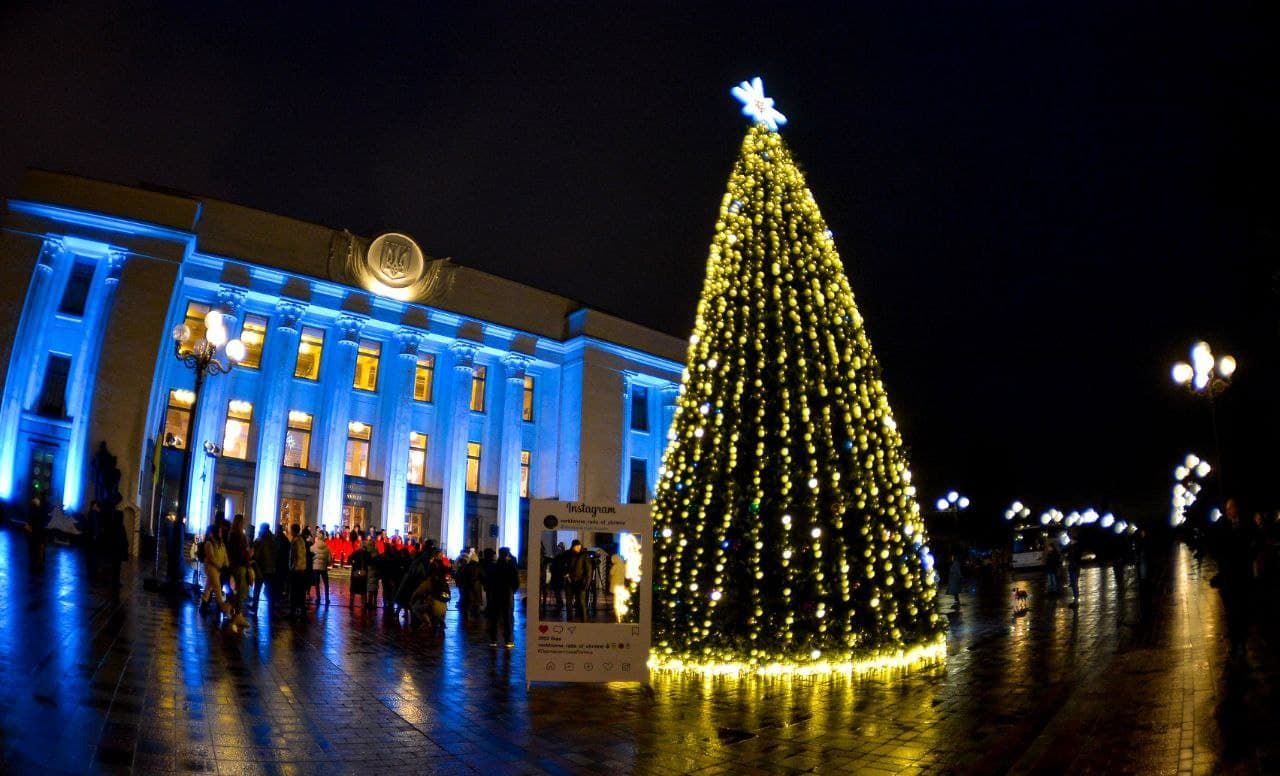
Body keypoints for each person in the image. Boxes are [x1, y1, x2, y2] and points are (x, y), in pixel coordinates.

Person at [1213, 498, 1254, 660]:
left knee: (1243, 610)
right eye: (1228, 508)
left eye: (1233, 508)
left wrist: (1250, 556)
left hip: (1243, 575)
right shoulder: (1221, 526)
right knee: (1231, 612)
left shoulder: (1246, 525)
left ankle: (1242, 642)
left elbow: (1255, 540)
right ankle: (1234, 642)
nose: (1231, 511)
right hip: (1229, 577)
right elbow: (1216, 547)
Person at [483, 547, 519, 647]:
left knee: (494, 617)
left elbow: (488, 581)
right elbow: (516, 582)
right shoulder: (510, 567)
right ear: (507, 555)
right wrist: (512, 591)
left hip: (495, 594)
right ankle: (508, 640)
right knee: (508, 617)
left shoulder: (493, 566)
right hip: (507, 594)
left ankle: (493, 639)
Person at [200, 528, 232, 620]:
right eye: (220, 531)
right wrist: (220, 566)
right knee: (217, 587)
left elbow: (225, 555)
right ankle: (224, 609)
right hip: (211, 568)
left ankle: (203, 605)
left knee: (209, 586)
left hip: (218, 569)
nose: (221, 533)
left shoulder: (221, 544)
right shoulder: (209, 543)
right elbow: (211, 557)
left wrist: (226, 565)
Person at [563, 540, 591, 622]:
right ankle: (570, 620)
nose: (578, 548)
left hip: (580, 582)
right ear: (573, 546)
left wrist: (587, 583)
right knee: (568, 602)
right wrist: (566, 574)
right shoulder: (567, 554)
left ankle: (584, 621)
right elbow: (563, 565)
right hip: (569, 582)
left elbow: (588, 570)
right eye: (576, 546)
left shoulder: (584, 555)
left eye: (579, 546)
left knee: (581, 603)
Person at [102, 505, 129, 588]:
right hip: (117, 550)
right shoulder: (120, 527)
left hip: (113, 549)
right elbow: (122, 539)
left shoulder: (112, 525)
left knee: (114, 566)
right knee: (116, 567)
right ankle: (114, 581)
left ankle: (113, 581)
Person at [252, 523, 276, 610]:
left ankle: (255, 606)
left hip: (261, 568)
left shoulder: (260, 539)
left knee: (257, 588)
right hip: (271, 568)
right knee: (269, 589)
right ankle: (271, 607)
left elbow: (257, 554)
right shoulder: (273, 539)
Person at [289, 524, 308, 619]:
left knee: (295, 591)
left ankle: (294, 612)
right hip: (301, 569)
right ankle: (301, 611)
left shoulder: (296, 541)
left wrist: (293, 567)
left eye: (291, 530)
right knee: (300, 592)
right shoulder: (301, 540)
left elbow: (297, 556)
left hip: (297, 570)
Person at [25, 494, 49, 570]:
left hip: (37, 532)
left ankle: (37, 563)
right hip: (38, 532)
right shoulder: (39, 510)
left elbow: (31, 521)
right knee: (38, 548)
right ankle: (38, 563)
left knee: (36, 548)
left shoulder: (36, 510)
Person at [310, 531, 332, 604]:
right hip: (323, 567)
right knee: (326, 583)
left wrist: (314, 561)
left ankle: (318, 598)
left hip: (315, 567)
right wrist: (326, 563)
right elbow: (329, 559)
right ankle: (327, 599)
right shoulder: (327, 547)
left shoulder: (313, 547)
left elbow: (310, 556)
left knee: (317, 583)